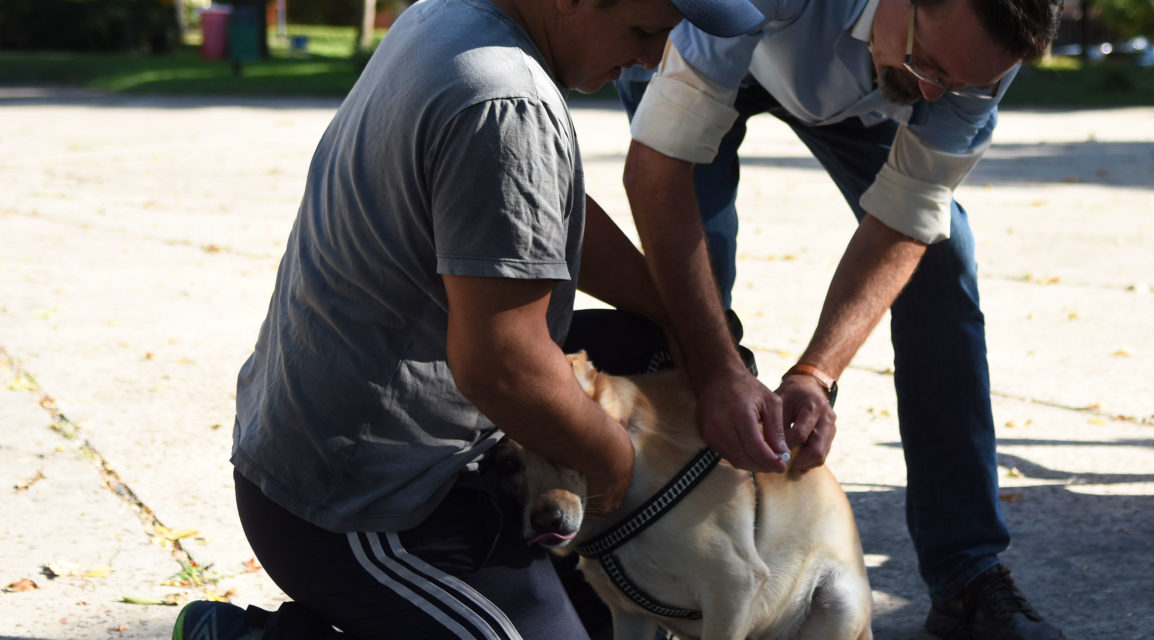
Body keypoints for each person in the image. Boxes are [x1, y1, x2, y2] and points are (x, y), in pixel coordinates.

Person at [169, 0, 766, 636]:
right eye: (644, 31)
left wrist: (702, 338)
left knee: (650, 343)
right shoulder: (507, 102)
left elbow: (535, 210)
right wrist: (611, 455)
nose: (652, 58)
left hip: (311, 445)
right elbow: (502, 368)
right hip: (359, 511)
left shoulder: (449, 17)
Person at [618, 0, 1066, 638]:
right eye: (930, 63)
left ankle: (966, 571)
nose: (937, 92)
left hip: (852, 79)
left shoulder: (980, 54)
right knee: (694, 290)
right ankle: (652, 557)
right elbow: (658, 173)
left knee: (943, 257)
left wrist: (815, 373)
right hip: (718, 35)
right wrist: (716, 366)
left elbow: (911, 213)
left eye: (961, 84)